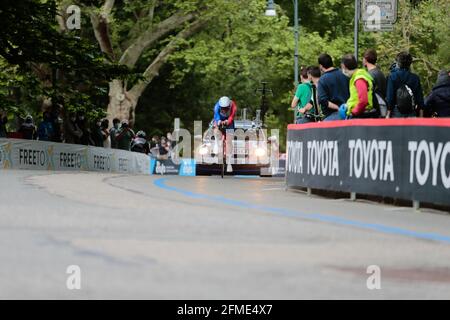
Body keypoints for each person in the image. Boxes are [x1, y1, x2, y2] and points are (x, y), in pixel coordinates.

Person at [339, 54, 379, 119]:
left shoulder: (359, 79)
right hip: (362, 113)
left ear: (344, 66)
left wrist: (354, 112)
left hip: (361, 115)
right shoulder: (359, 75)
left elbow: (363, 100)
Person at [386, 52, 424, 118]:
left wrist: (388, 114)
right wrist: (421, 115)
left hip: (396, 111)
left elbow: (390, 97)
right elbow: (420, 98)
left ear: (398, 62)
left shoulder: (392, 77)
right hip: (411, 111)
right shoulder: (415, 78)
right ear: (410, 63)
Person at [317, 53, 350, 121]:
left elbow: (323, 100)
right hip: (348, 114)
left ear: (321, 66)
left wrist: (338, 108)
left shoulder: (322, 80)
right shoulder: (345, 74)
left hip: (331, 117)